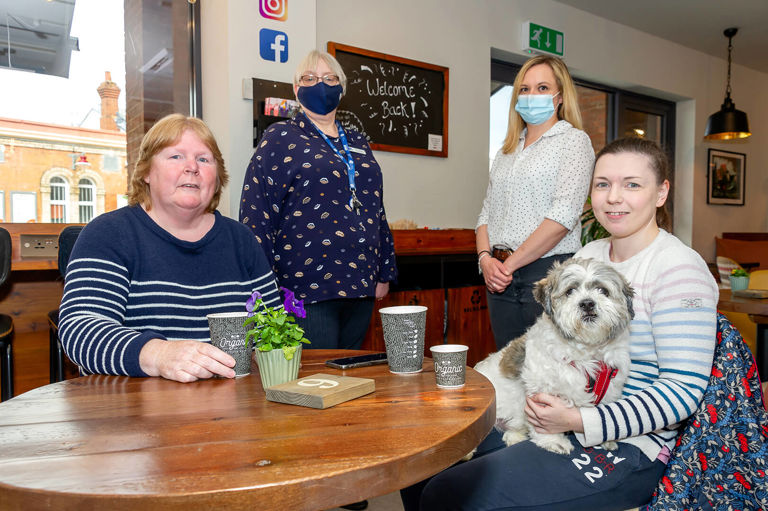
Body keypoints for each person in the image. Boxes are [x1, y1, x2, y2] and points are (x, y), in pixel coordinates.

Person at [405, 137, 719, 510]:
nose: (614, 197)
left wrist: (577, 419)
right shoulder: (589, 254)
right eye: (602, 184)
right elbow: (545, 342)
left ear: (661, 192)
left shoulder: (678, 267)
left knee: (450, 494)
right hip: (561, 414)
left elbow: (683, 392)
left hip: (633, 444)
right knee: (421, 457)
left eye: (632, 184)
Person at [59, 113, 280, 383]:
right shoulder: (108, 234)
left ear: (217, 177)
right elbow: (80, 331)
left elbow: (275, 328)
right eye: (176, 156)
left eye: (204, 159)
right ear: (146, 172)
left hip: (232, 401)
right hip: (133, 402)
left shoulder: (242, 240)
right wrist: (159, 354)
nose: (192, 167)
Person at [240, 50, 397, 350]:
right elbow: (256, 213)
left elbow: (376, 207)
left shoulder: (358, 142)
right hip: (306, 286)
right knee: (317, 374)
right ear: (296, 89)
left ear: (342, 88)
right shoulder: (280, 137)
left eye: (329, 78)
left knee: (350, 371)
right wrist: (262, 285)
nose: (320, 84)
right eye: (309, 78)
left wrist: (384, 270)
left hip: (360, 282)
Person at [477, 55, 595, 350]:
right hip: (498, 275)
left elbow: (563, 216)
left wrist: (508, 265)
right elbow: (486, 213)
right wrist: (485, 260)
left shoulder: (574, 141)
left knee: (550, 365)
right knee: (508, 364)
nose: (532, 95)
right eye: (524, 89)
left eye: (543, 88)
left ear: (560, 96)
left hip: (546, 273)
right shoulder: (506, 151)